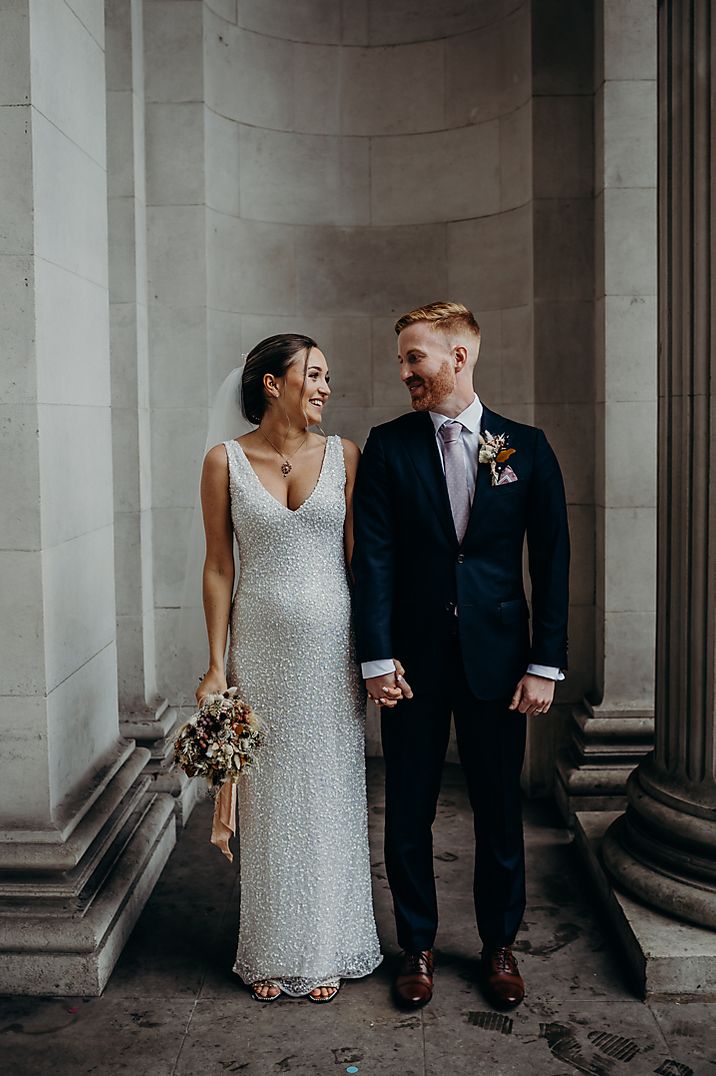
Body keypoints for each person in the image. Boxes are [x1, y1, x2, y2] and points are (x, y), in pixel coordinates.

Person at [352, 301, 570, 1011]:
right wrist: (377, 655)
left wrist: (546, 663)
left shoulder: (526, 448)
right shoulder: (388, 446)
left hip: (500, 664)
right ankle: (415, 945)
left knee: (498, 808)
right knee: (407, 809)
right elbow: (374, 560)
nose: (405, 372)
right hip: (412, 665)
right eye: (403, 360)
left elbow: (555, 563)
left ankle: (499, 944)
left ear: (459, 357)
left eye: (415, 358)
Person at [196, 334, 382, 1002]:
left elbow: (363, 565)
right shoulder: (224, 462)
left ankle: (329, 942)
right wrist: (216, 665)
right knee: (271, 794)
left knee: (329, 785)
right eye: (315, 374)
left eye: (327, 376)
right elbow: (219, 566)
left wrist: (376, 654)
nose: (326, 387)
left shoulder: (346, 456)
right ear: (273, 383)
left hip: (332, 652)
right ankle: (272, 949)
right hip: (262, 653)